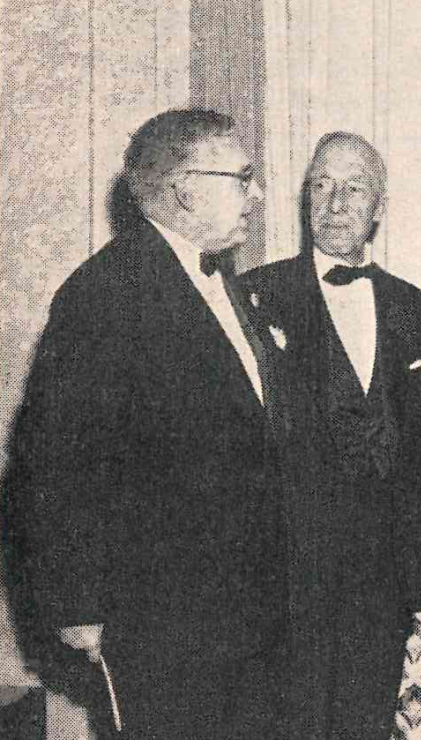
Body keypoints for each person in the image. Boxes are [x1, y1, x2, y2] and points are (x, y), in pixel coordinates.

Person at [1, 109, 286, 740]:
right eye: (243, 177)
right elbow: (52, 462)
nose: (257, 194)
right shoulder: (105, 293)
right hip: (160, 619)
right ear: (187, 191)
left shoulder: (221, 283)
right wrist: (78, 606)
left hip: (243, 614)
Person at [238, 132, 421, 739]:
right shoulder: (254, 296)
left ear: (379, 207)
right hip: (286, 572)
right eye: (321, 185)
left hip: (383, 573)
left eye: (355, 188)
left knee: (363, 723)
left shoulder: (416, 308)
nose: (335, 203)